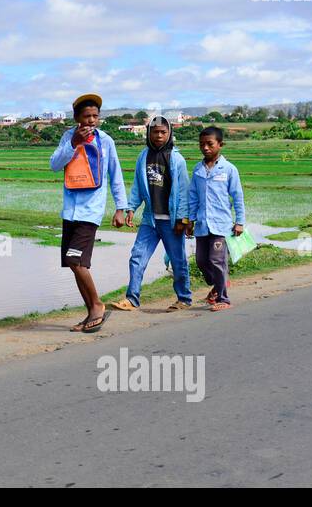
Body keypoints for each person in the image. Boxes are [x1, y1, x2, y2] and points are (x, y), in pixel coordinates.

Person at [50, 93, 127, 333]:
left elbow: (115, 175)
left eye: (95, 116)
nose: (92, 120)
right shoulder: (67, 137)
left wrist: (121, 209)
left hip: (90, 212)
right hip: (70, 211)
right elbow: (54, 165)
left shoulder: (106, 141)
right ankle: (90, 312)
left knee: (75, 260)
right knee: (74, 264)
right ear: (76, 119)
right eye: (87, 116)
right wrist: (73, 143)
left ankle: (97, 306)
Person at [112, 115, 193, 312]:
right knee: (137, 257)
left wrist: (183, 220)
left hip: (171, 221)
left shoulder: (176, 159)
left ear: (169, 134)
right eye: (155, 132)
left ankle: (184, 298)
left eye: (163, 132)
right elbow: (138, 187)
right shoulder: (143, 156)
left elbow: (183, 192)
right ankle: (132, 299)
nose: (159, 136)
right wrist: (131, 208)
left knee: (178, 260)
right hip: (150, 219)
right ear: (149, 133)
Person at [187, 126, 245, 312]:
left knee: (216, 260)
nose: (205, 148)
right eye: (202, 144)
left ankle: (223, 298)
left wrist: (240, 222)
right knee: (201, 261)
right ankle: (218, 283)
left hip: (221, 225)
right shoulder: (197, 169)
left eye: (210, 144)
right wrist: (190, 220)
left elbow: (237, 196)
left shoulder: (228, 169)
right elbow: (193, 197)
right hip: (203, 225)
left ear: (220, 144)